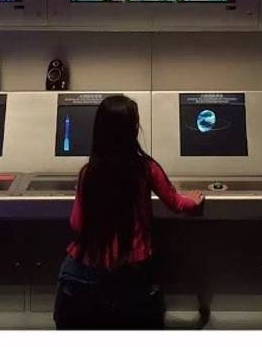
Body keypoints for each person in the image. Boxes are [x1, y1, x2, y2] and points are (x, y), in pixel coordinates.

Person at [54, 95, 204, 330]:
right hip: (133, 273)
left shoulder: (89, 172)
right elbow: (176, 203)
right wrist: (193, 201)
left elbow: (77, 223)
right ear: (132, 129)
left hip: (86, 274)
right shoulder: (146, 168)